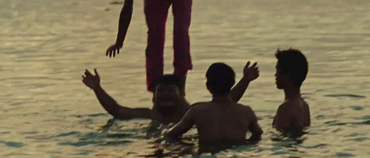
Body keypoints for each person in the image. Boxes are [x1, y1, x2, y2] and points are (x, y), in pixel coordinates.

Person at [105, 0, 275, 91]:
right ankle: (155, 87)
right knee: (155, 33)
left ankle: (180, 83)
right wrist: (119, 41)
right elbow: (127, 10)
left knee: (180, 31)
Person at [82, 61, 260, 124]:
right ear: (154, 96)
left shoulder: (193, 112)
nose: (165, 95)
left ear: (181, 94)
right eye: (161, 92)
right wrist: (97, 88)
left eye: (170, 91)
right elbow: (117, 111)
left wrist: (245, 80)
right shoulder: (150, 114)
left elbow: (226, 100)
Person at [165, 63, 263, 145]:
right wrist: (245, 144)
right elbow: (258, 134)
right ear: (232, 82)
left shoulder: (197, 111)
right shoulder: (246, 111)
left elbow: (171, 135)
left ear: (208, 86)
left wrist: (187, 145)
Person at [273, 49, 310, 131]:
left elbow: (277, 140)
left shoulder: (285, 108)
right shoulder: (304, 105)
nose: (275, 75)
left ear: (287, 76)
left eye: (277, 70)